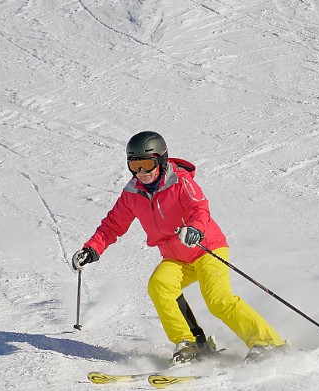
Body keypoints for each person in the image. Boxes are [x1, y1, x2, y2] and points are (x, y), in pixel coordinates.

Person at [72, 131, 287, 364]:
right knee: (160, 284)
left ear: (161, 160)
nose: (141, 173)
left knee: (218, 299)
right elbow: (112, 225)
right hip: (176, 257)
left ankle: (267, 342)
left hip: (206, 249)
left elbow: (200, 209)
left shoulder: (181, 182)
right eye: (134, 165)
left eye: (146, 164)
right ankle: (192, 343)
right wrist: (92, 249)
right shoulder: (133, 193)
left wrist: (195, 229)